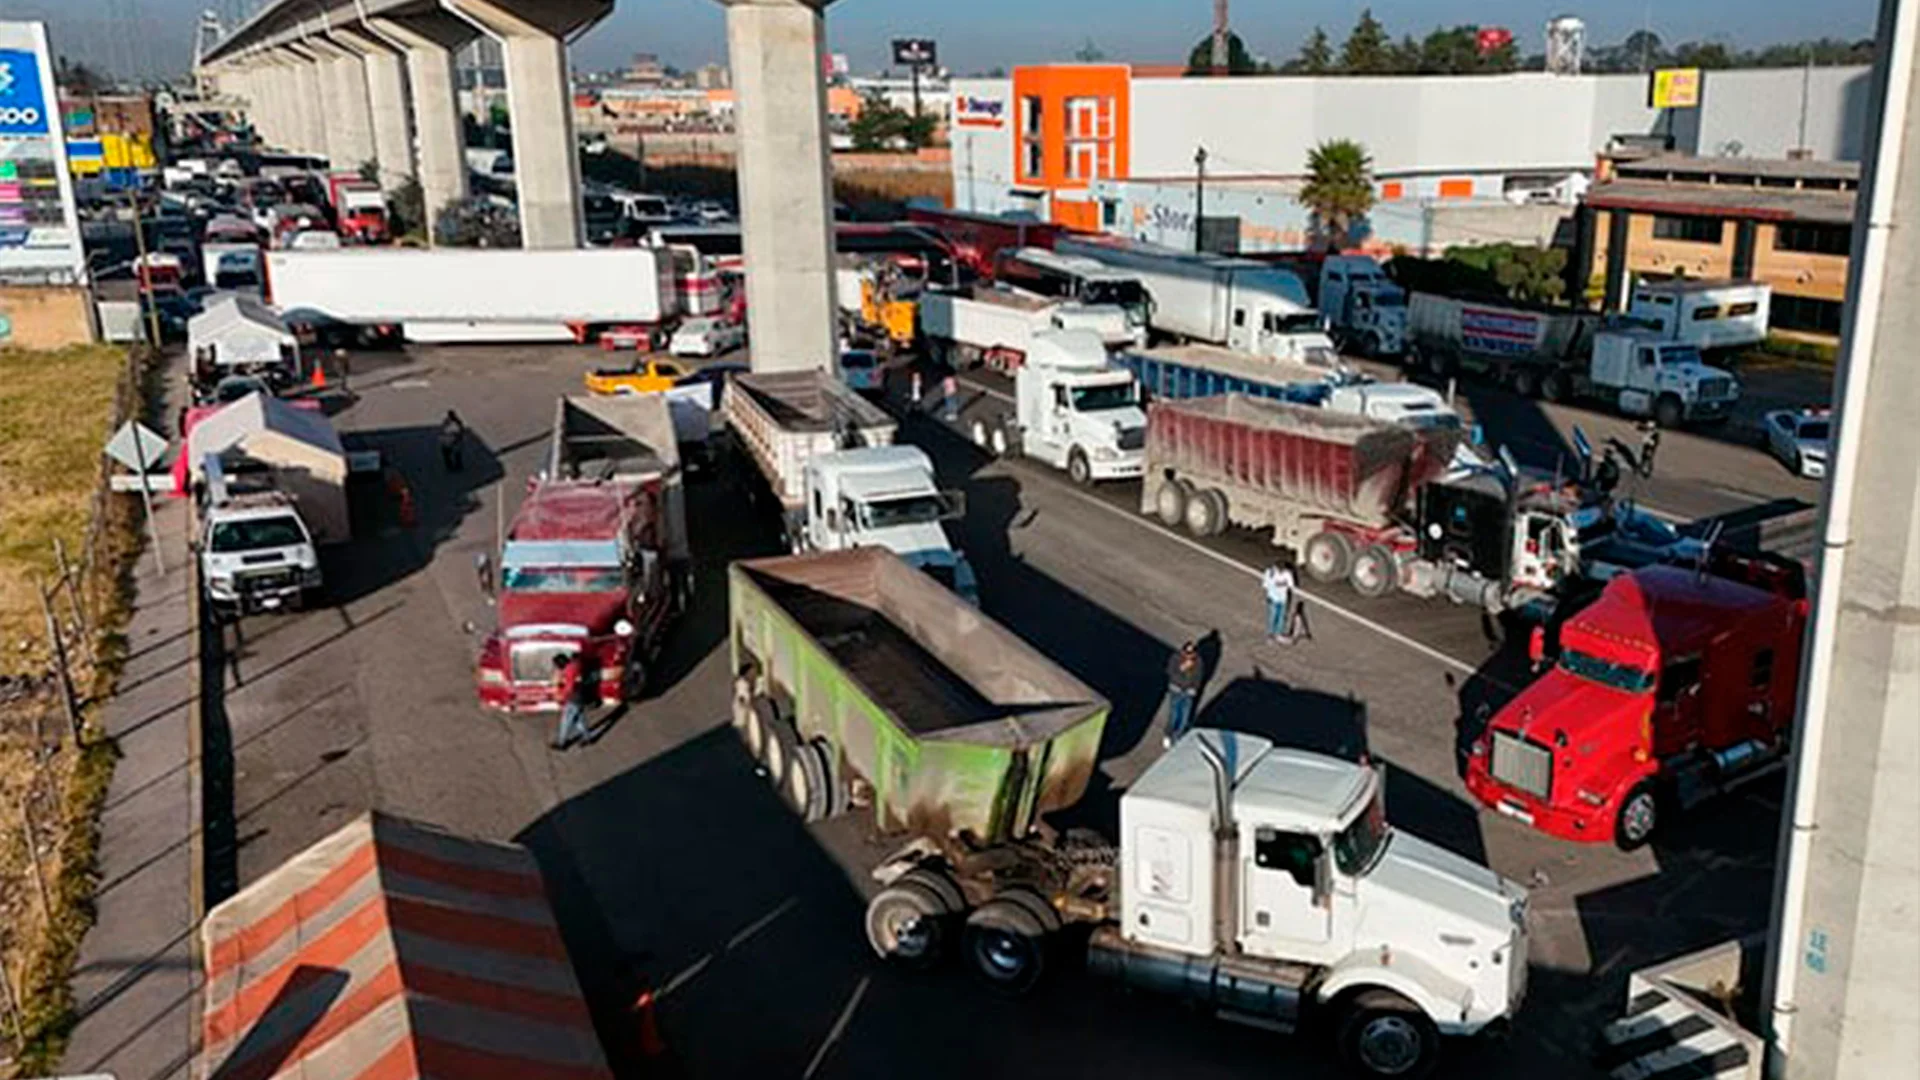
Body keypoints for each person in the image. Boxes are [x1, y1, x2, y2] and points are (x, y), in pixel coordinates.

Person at [1163, 641, 1204, 748]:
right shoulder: (1176, 658)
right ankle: (1168, 734)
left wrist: (1194, 688)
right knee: (1174, 714)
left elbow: (1198, 676)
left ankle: (1178, 736)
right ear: (1183, 651)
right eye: (1187, 653)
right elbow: (1171, 672)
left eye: (1192, 653)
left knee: (1185, 716)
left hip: (1188, 692)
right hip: (1176, 689)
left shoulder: (1198, 661)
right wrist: (1182, 668)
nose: (1189, 656)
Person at [552, 652, 596, 750]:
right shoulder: (574, 666)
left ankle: (561, 743)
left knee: (565, 721)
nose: (556, 667)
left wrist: (561, 695)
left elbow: (569, 688)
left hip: (573, 699)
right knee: (578, 720)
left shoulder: (569, 671)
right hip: (580, 697)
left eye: (556, 665)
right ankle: (588, 738)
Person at [1263, 561, 1298, 643]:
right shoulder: (1270, 573)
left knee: (1281, 617)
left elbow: (1291, 586)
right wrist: (1268, 596)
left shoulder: (1287, 574)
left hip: (1282, 599)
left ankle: (1278, 633)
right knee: (1273, 617)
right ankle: (1270, 635)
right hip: (1273, 599)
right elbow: (1266, 585)